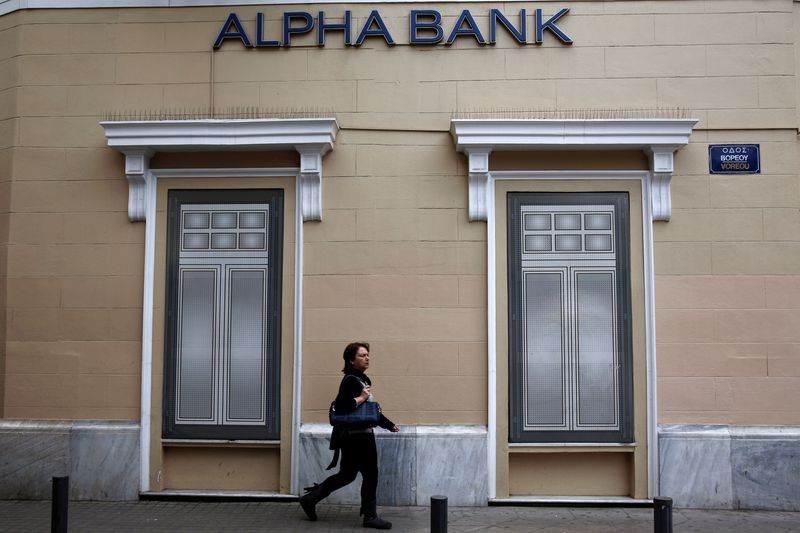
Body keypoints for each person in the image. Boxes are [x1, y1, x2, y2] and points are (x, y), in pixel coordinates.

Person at [299, 342, 399, 530]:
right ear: (351, 360)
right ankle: (370, 516)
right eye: (362, 355)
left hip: (355, 437)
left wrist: (389, 424)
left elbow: (370, 412)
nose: (367, 358)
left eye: (368, 354)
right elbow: (342, 406)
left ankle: (310, 499)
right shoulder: (351, 381)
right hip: (358, 438)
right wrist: (361, 398)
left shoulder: (360, 380)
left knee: (347, 475)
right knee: (370, 475)